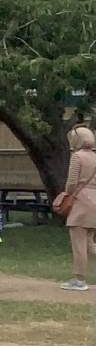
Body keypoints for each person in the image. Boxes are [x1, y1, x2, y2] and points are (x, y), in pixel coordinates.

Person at [62, 124, 96, 291]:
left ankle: (79, 279)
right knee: (90, 243)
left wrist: (67, 194)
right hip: (95, 200)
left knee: (79, 244)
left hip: (81, 202)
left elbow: (72, 182)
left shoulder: (77, 156)